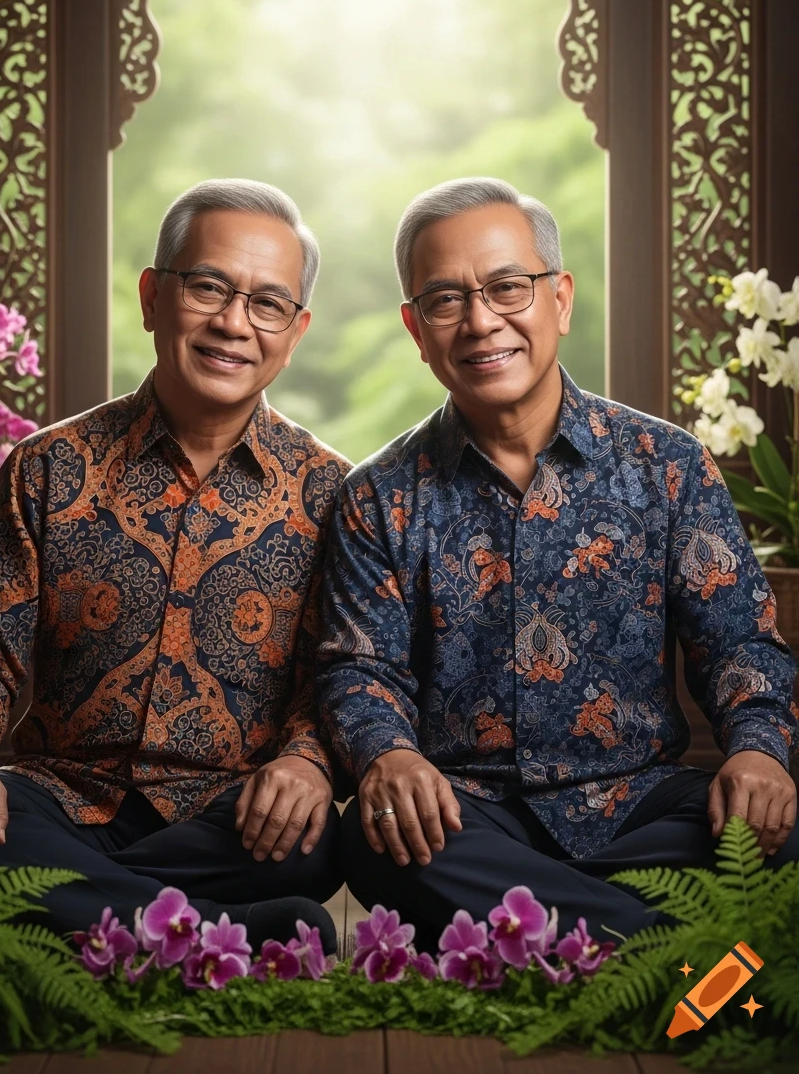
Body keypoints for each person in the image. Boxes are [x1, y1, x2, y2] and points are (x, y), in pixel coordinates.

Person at [316, 176, 799, 952]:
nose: (480, 321)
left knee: (781, 831)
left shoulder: (668, 465)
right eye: (446, 300)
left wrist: (756, 750)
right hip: (467, 816)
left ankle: (554, 941)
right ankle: (678, 957)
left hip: (642, 808)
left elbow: (741, 645)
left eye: (508, 287)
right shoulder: (377, 496)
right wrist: (392, 755)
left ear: (561, 299)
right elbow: (358, 671)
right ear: (415, 326)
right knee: (376, 840)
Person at [0, 179, 350, 951]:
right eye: (209, 286)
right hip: (59, 798)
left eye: (267, 304)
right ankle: (216, 939)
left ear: (296, 329)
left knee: (312, 843)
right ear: (152, 297)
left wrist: (309, 765)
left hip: (231, 822)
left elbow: (341, 673)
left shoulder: (333, 494)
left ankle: (82, 915)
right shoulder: (48, 467)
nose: (233, 323)